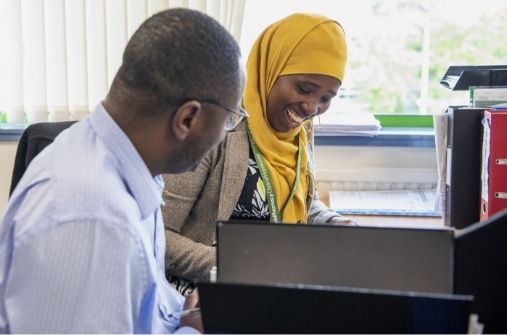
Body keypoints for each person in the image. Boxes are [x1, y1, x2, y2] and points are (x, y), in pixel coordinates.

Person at [0, 8, 245, 334]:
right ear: (188, 119)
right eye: (230, 119)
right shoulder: (92, 218)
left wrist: (185, 313)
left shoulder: (130, 167)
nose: (225, 133)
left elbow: (143, 307)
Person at [162, 12, 356, 295]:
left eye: (326, 98)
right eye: (304, 88)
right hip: (205, 293)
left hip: (277, 283)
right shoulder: (213, 127)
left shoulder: (298, 132)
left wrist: (332, 221)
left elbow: (296, 200)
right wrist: (241, 265)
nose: (312, 107)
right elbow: (156, 236)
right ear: (270, 69)